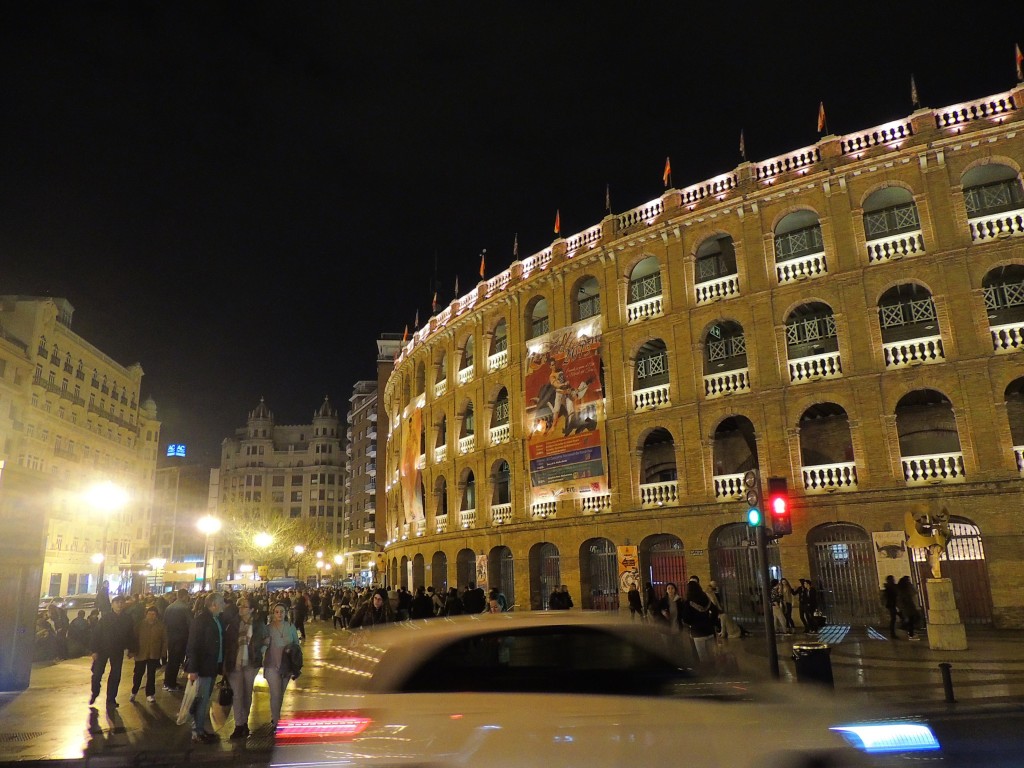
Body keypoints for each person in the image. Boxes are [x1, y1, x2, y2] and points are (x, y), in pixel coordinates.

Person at [224, 594, 269, 740]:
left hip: (251, 663)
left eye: (244, 606)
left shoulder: (258, 624)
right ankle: (239, 724)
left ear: (252, 609)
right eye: (240, 605)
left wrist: (260, 652)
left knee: (247, 693)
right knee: (237, 695)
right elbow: (228, 642)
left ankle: (245, 721)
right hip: (235, 662)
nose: (241, 608)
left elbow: (266, 639)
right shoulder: (233, 623)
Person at [184, 592, 226, 744]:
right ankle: (197, 731)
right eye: (221, 603)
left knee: (205, 699)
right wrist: (193, 669)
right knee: (201, 700)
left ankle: (201, 728)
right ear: (213, 604)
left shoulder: (215, 619)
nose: (223, 607)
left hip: (212, 665)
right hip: (203, 666)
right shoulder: (201, 620)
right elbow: (193, 646)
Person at [89, 595, 135, 709]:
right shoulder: (106, 618)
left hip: (117, 649)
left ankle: (111, 699)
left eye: (121, 602)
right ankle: (95, 691)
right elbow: (96, 634)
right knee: (97, 674)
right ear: (112, 604)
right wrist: (94, 650)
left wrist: (132, 649)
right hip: (102, 649)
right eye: (117, 602)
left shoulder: (127, 618)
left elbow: (131, 635)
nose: (119, 605)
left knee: (115, 675)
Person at [265, 602, 301, 728]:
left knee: (280, 693)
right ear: (273, 613)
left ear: (286, 613)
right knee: (275, 693)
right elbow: (264, 646)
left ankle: (276, 715)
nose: (279, 614)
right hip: (272, 665)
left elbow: (296, 644)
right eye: (277, 612)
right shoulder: (268, 628)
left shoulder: (290, 626)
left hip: (286, 666)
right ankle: (276, 720)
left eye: (282, 611)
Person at [130, 605, 167, 703]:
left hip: (154, 654)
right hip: (140, 653)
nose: (151, 616)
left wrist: (163, 653)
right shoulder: (140, 625)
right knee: (138, 674)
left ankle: (150, 694)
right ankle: (134, 691)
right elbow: (134, 639)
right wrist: (132, 651)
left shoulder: (161, 626)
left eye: (153, 614)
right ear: (146, 614)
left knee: (151, 675)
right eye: (149, 614)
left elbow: (164, 640)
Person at [681, 579, 718, 665]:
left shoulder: (688, 602)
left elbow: (686, 618)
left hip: (697, 632)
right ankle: (714, 671)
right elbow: (715, 610)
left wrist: (692, 624)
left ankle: (707, 674)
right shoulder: (706, 598)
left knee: (703, 657)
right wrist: (712, 622)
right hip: (709, 630)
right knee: (711, 655)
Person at [162, 589, 192, 691]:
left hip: (171, 637)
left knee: (171, 660)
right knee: (176, 660)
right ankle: (172, 684)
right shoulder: (185, 608)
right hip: (181, 637)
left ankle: (167, 682)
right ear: (184, 596)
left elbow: (164, 622)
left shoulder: (169, 607)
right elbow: (190, 623)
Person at [896, 576, 921, 641]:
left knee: (911, 620)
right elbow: (914, 592)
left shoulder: (903, 589)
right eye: (908, 580)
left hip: (908, 607)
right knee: (912, 620)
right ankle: (909, 633)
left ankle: (908, 631)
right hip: (908, 607)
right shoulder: (905, 589)